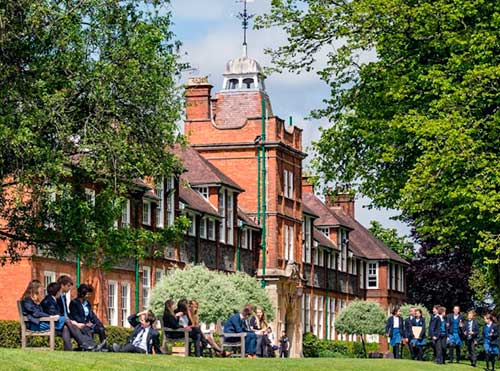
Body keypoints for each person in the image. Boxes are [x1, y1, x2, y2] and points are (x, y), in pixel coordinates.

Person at [41, 282, 96, 351]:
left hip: (54, 323)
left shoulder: (53, 300)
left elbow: (58, 314)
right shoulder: (49, 301)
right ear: (57, 292)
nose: (61, 293)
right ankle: (87, 344)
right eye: (60, 291)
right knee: (68, 322)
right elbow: (55, 314)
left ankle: (70, 349)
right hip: (49, 324)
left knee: (66, 328)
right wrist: (75, 323)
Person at [69, 284, 106, 348]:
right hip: (79, 325)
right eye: (87, 294)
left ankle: (104, 347)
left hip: (87, 325)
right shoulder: (74, 303)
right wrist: (86, 323)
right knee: (87, 329)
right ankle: (92, 346)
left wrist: (100, 324)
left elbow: (93, 316)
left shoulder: (87, 303)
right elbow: (75, 317)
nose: (89, 296)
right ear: (82, 294)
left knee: (101, 329)